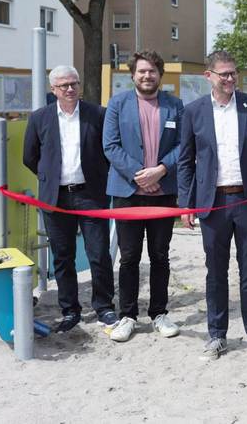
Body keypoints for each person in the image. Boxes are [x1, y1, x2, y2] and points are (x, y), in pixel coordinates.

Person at [177, 50, 247, 361]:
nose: (229, 78)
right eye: (223, 73)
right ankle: (217, 335)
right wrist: (186, 203)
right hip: (212, 204)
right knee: (215, 272)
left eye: (233, 73)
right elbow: (185, 161)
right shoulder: (194, 111)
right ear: (208, 76)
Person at [23, 65, 116, 333]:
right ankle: (69, 310)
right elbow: (30, 157)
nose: (70, 89)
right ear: (53, 89)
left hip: (90, 195)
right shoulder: (40, 118)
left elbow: (107, 150)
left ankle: (104, 307)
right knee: (63, 257)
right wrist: (49, 178)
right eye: (63, 85)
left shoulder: (97, 114)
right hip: (56, 198)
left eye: (74, 83)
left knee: (98, 254)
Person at [103, 51, 183, 342]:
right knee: (129, 257)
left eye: (152, 71)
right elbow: (110, 146)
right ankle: (127, 315)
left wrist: (160, 171)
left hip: (163, 193)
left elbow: (183, 146)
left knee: (160, 255)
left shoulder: (175, 105)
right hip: (128, 193)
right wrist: (140, 174)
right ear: (133, 75)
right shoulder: (117, 104)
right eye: (141, 72)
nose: (147, 76)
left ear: (160, 74)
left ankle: (159, 313)